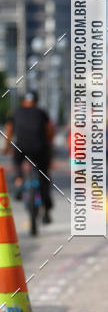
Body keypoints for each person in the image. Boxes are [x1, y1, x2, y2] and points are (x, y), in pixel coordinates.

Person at [3, 91, 54, 223]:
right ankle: (46, 211)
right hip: (40, 148)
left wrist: (7, 146)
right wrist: (49, 144)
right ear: (36, 101)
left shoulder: (15, 112)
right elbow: (49, 131)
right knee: (44, 177)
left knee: (16, 161)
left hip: (21, 148)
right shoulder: (41, 112)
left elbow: (9, 130)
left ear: (23, 101)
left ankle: (18, 180)